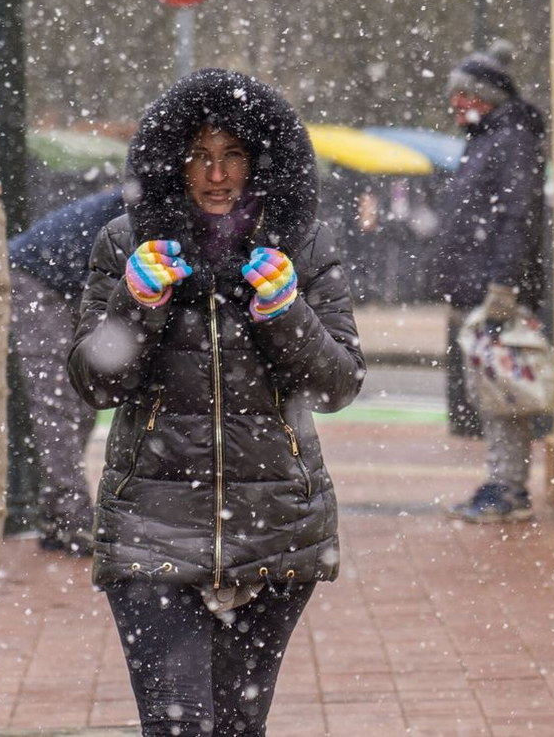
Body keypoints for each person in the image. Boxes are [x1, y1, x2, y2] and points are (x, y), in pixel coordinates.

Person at [67, 68, 364, 736]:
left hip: (276, 529)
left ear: (260, 161)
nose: (216, 175)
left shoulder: (303, 244)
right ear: (174, 161)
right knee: (178, 728)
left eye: (231, 154)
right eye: (200, 155)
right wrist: (136, 304)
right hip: (152, 530)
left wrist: (286, 312)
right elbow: (94, 381)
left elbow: (340, 383)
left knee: (236, 729)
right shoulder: (125, 243)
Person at [431, 40, 548, 523]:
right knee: (492, 390)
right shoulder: (490, 140)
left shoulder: (510, 141)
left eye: (465, 95)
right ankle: (502, 481)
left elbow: (518, 218)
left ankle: (508, 489)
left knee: (503, 392)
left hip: (496, 293)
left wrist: (504, 286)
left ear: (488, 97)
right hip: (479, 287)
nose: (456, 105)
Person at [8, 187, 125, 554]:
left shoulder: (147, 200)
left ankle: (59, 514)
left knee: (81, 399)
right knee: (56, 402)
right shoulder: (144, 207)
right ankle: (70, 516)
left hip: (72, 281)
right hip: (39, 278)